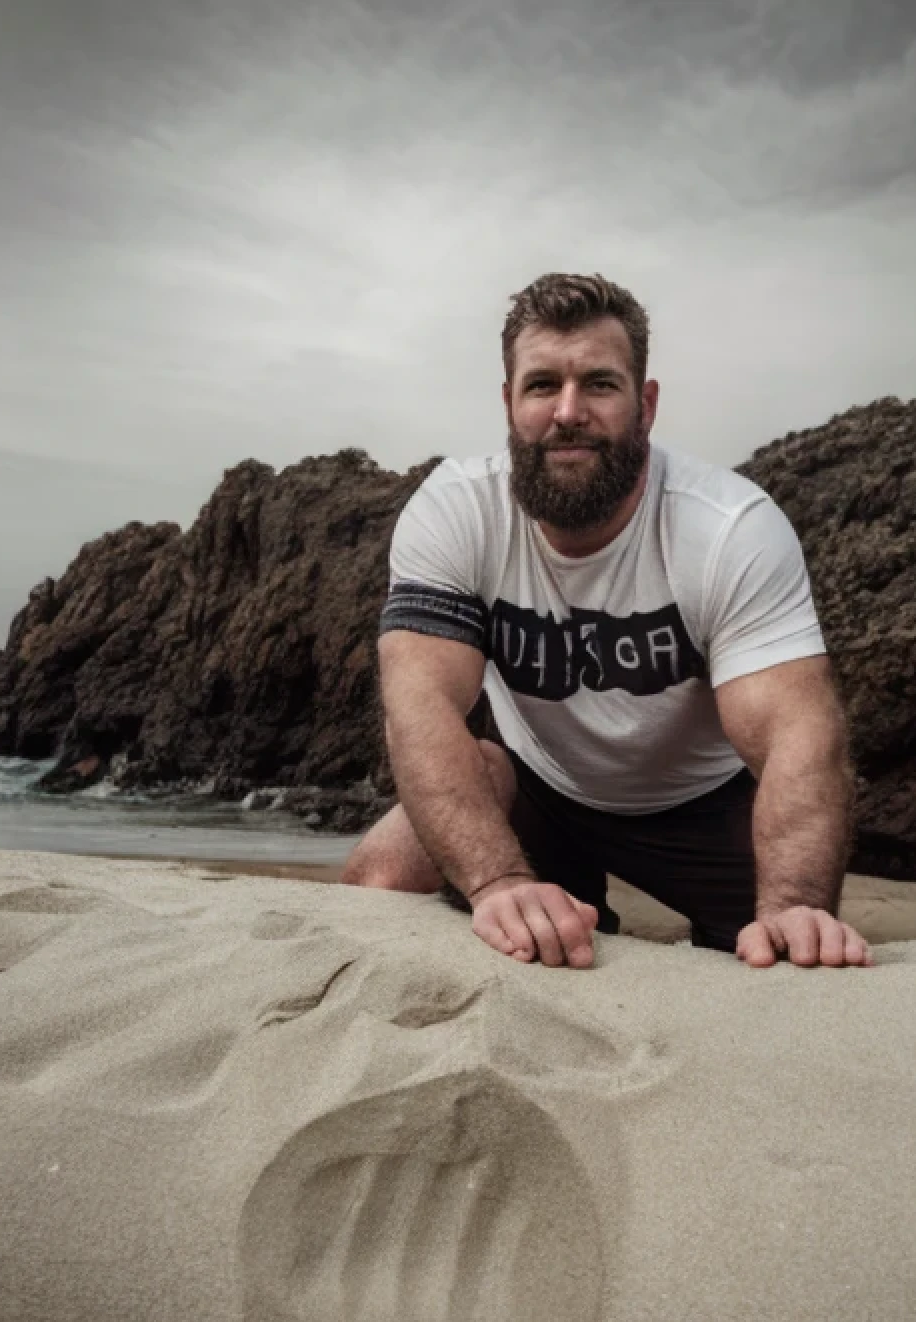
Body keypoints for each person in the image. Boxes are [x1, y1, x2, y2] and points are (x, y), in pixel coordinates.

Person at [342, 272, 873, 971]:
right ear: (508, 402)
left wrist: (794, 903)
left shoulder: (726, 528)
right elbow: (421, 707)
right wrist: (499, 883)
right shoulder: (457, 511)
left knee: (783, 950)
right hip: (540, 789)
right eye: (541, 386)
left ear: (645, 404)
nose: (568, 412)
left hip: (701, 806)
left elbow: (797, 731)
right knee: (377, 884)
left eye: (599, 383)